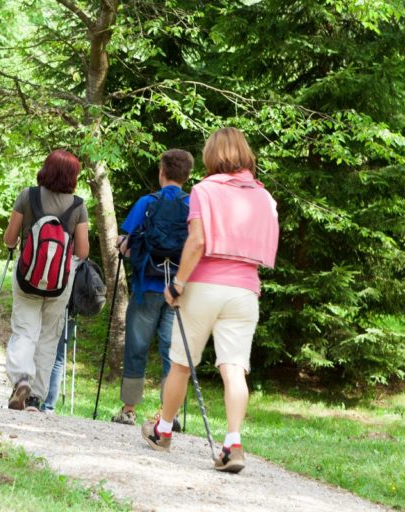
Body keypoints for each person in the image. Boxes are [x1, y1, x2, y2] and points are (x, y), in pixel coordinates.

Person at [141, 128, 279, 474]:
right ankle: (233, 442)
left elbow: (198, 241)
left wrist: (178, 283)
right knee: (234, 368)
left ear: (211, 155)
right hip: (246, 288)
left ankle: (164, 430)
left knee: (181, 364)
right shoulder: (265, 197)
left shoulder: (204, 190)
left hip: (204, 285)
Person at [111, 149, 193, 427]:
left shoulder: (147, 203)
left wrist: (122, 244)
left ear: (162, 172)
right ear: (187, 175)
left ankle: (129, 409)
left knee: (137, 345)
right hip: (179, 289)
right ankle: (170, 414)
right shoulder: (193, 206)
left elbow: (127, 244)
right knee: (173, 350)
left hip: (147, 283)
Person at [3, 149, 90, 412]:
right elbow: (83, 252)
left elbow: (9, 238)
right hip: (60, 282)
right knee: (49, 337)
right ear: (72, 176)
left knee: (25, 330)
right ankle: (34, 398)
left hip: (27, 277)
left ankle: (20, 379)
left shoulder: (27, 196)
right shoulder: (78, 205)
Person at [40, 313, 75, 413]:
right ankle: (48, 406)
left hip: (52, 308)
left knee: (41, 352)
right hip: (71, 313)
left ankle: (32, 400)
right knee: (58, 360)